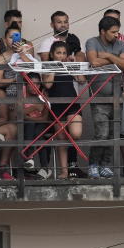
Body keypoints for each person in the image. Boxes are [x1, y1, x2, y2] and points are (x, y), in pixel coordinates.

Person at [86, 16, 124, 179]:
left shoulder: (121, 44)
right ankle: (93, 165)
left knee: (113, 135)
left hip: (117, 98)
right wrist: (116, 60)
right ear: (102, 32)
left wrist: (109, 56)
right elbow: (93, 62)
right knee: (102, 134)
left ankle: (105, 166)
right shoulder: (92, 42)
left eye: (118, 32)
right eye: (113, 32)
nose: (116, 35)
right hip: (99, 98)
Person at [40, 40, 84, 179]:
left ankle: (71, 166)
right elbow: (47, 85)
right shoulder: (47, 67)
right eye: (58, 53)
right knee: (61, 141)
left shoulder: (69, 65)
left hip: (72, 105)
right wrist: (54, 67)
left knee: (75, 133)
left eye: (64, 53)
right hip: (57, 107)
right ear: (52, 54)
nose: (61, 55)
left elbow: (81, 80)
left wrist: (73, 64)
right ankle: (64, 171)